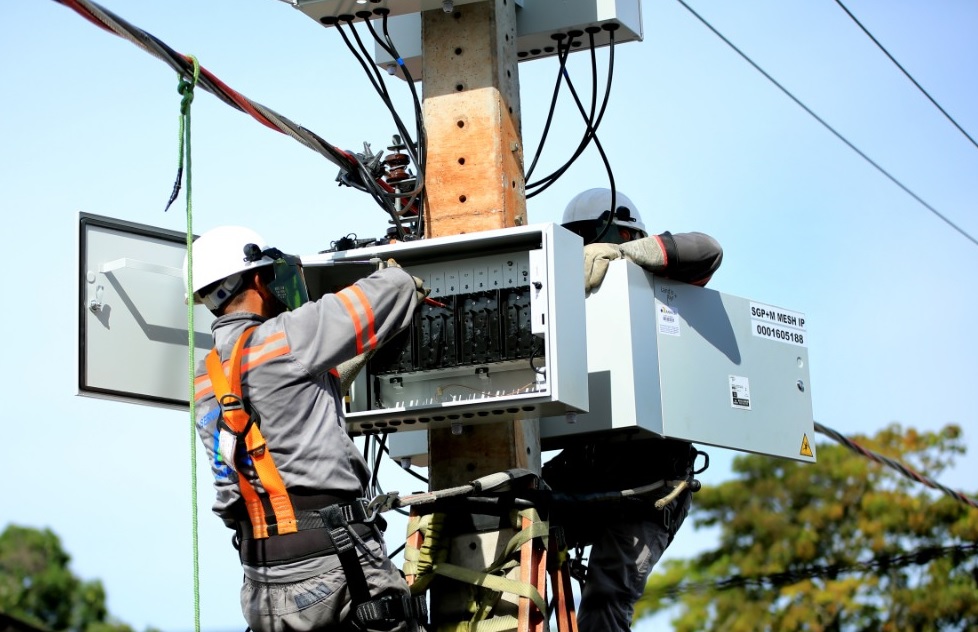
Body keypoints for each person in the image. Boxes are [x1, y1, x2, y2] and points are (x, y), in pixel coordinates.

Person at [186, 226, 428, 632]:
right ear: (258, 278)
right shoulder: (288, 335)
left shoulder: (204, 378)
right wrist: (391, 260)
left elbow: (231, 487)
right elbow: (396, 288)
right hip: (335, 561)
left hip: (261, 583)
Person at [542, 188, 723, 632]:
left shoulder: (661, 287)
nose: (588, 250)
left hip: (649, 482)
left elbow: (707, 250)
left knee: (607, 595)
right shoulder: (565, 296)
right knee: (507, 512)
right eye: (581, 241)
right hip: (587, 468)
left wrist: (626, 255)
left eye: (595, 238)